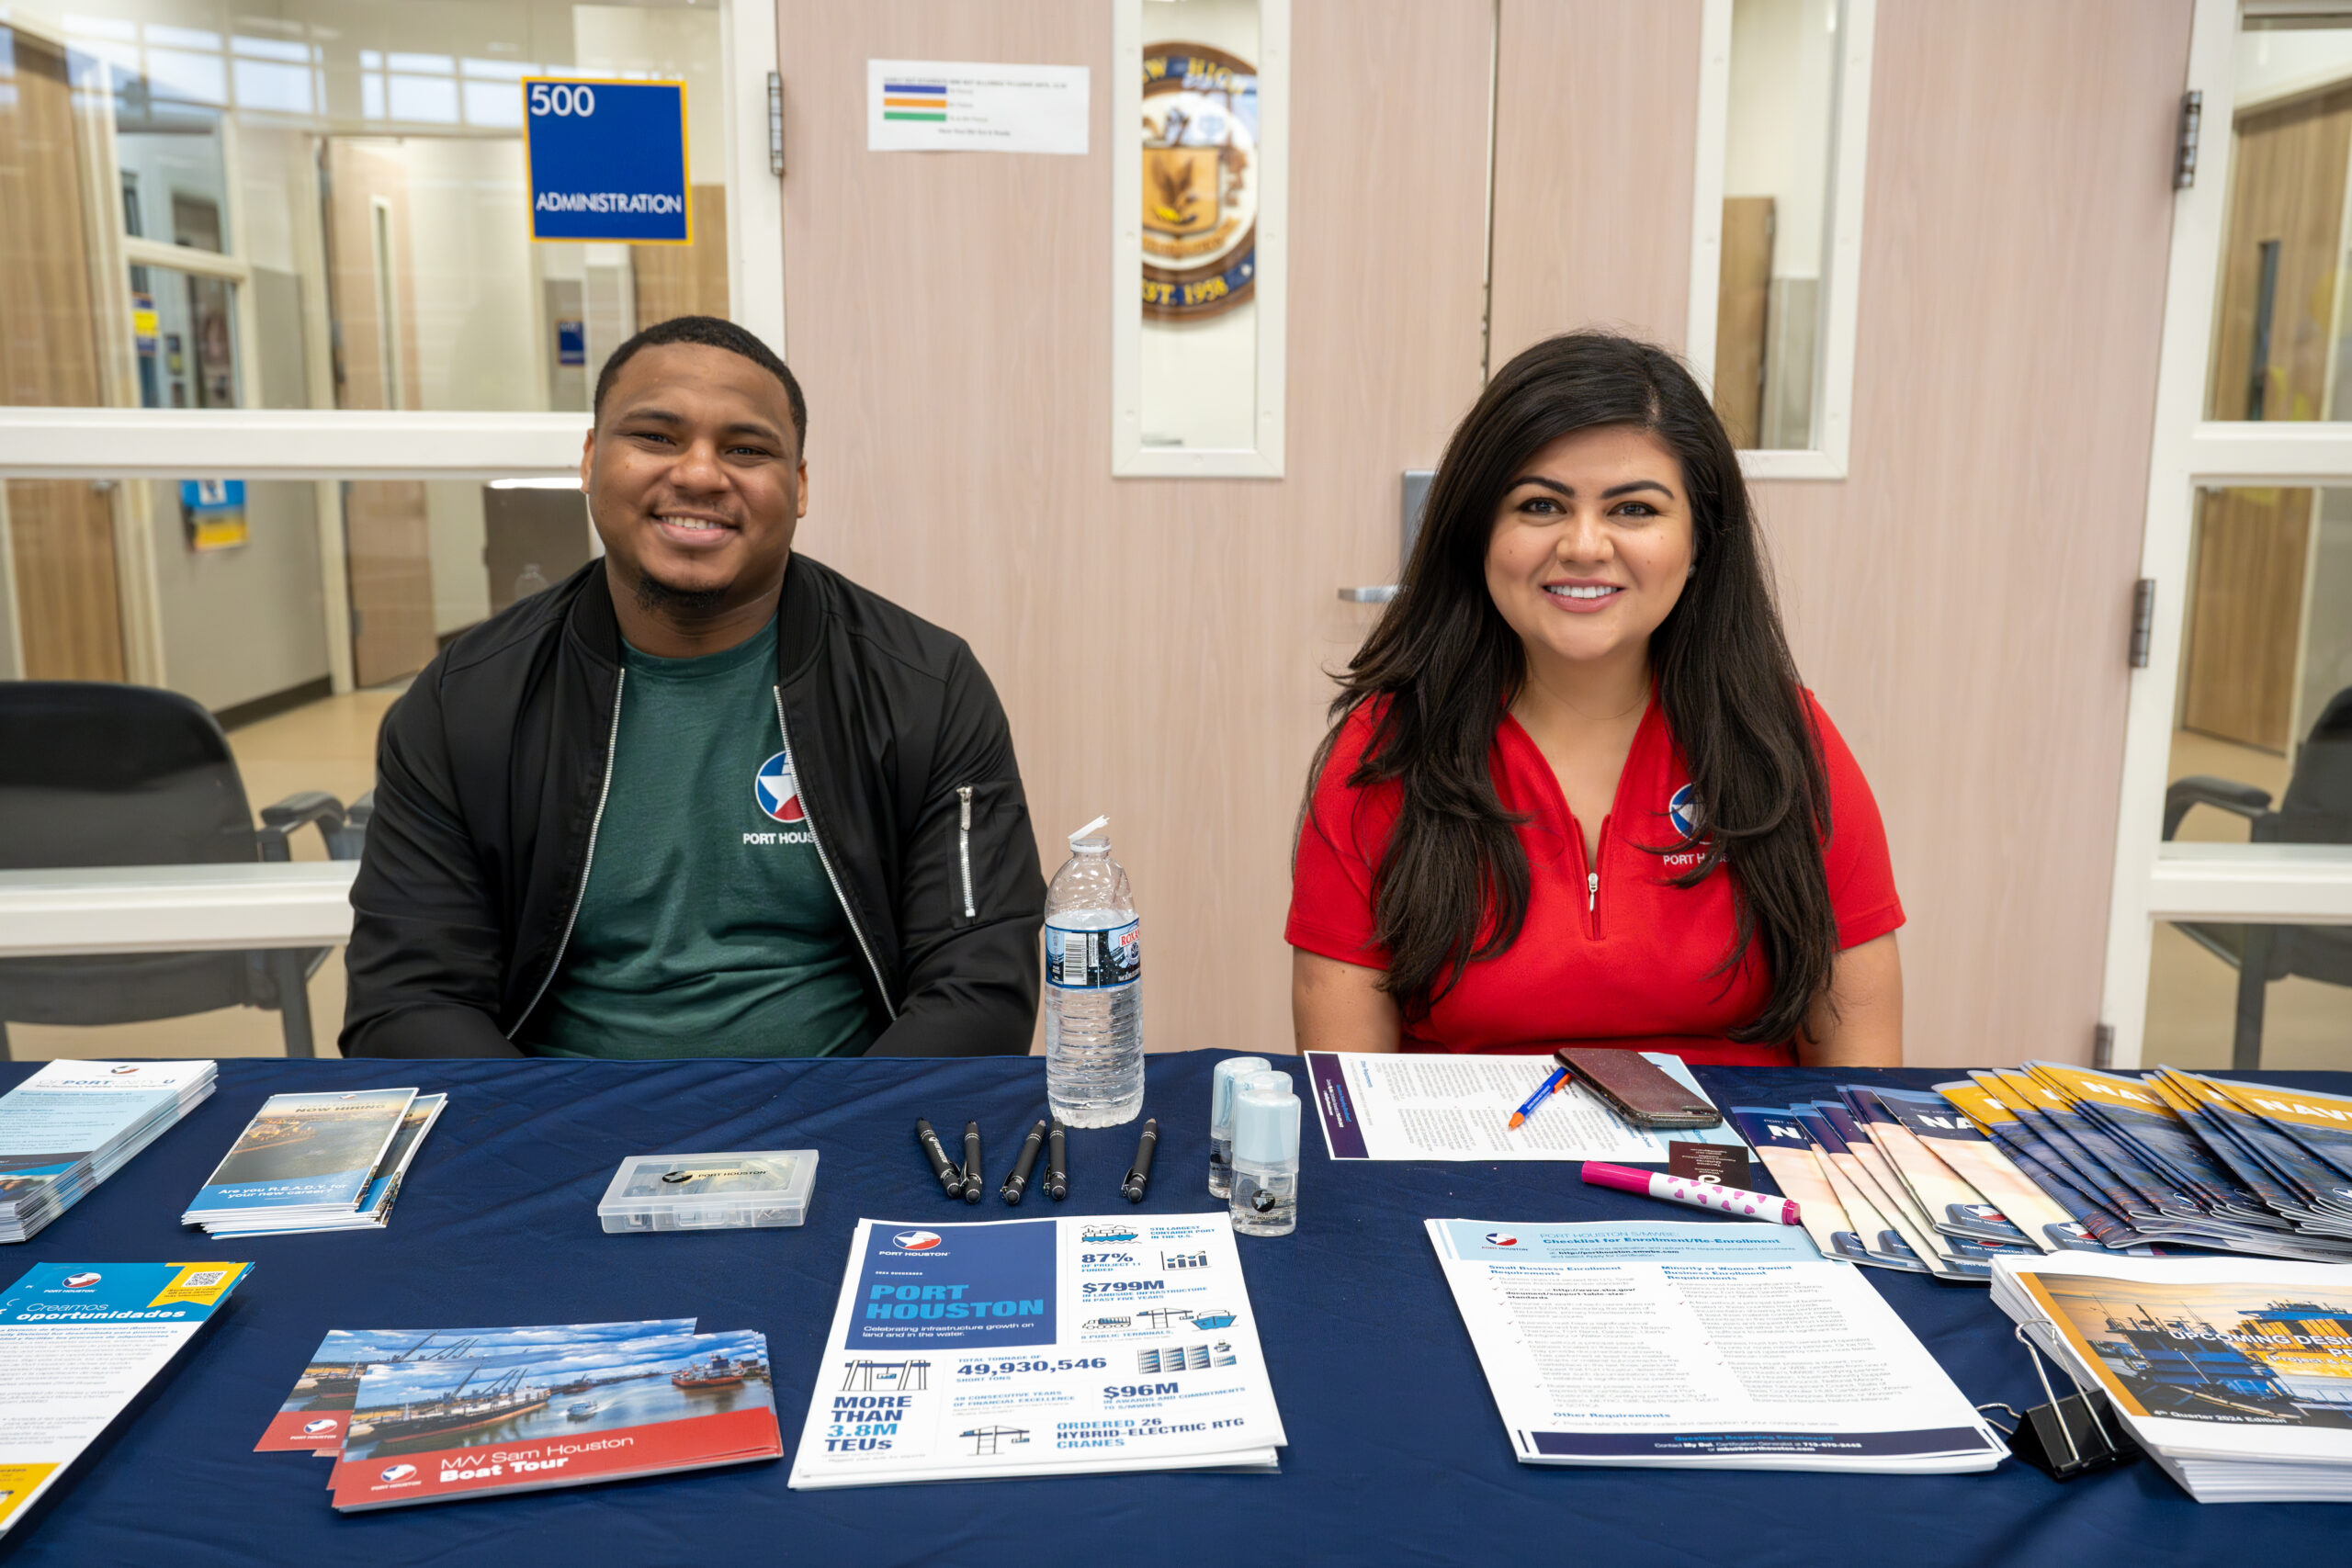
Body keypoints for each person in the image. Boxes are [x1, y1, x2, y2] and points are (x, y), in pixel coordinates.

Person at [342, 315, 1045, 1059]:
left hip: (842, 1110)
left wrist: (837, 1125)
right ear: (590, 460)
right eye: (656, 436)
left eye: (746, 449)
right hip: (559, 1116)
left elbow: (979, 989)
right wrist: (560, 1130)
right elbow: (407, 1003)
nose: (701, 474)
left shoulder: (924, 688)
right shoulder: (466, 700)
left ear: (800, 486)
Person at [1287, 331, 1902, 1067]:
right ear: (1478, 533)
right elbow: (1347, 1094)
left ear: (1700, 540)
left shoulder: (1784, 740)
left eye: (1634, 510)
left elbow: (1856, 1089)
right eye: (1541, 504)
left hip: (1733, 1147)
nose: (1584, 545)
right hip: (1469, 1145)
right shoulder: (1384, 753)